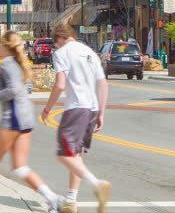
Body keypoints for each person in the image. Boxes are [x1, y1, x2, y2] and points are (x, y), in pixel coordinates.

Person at [0, 31, 63, 213]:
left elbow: (13, 89)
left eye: (0, 44)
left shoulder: (6, 63)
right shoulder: (22, 64)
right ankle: (53, 199)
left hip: (12, 118)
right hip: (26, 119)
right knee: (20, 167)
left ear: (5, 46)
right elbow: (27, 88)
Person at [41, 23, 111, 213]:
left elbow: (60, 85)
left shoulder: (62, 53)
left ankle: (97, 185)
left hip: (75, 108)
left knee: (63, 154)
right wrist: (101, 112)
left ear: (59, 39)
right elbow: (103, 84)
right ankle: (71, 200)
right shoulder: (89, 52)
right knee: (75, 156)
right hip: (92, 109)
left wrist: (47, 109)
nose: (56, 47)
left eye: (56, 44)